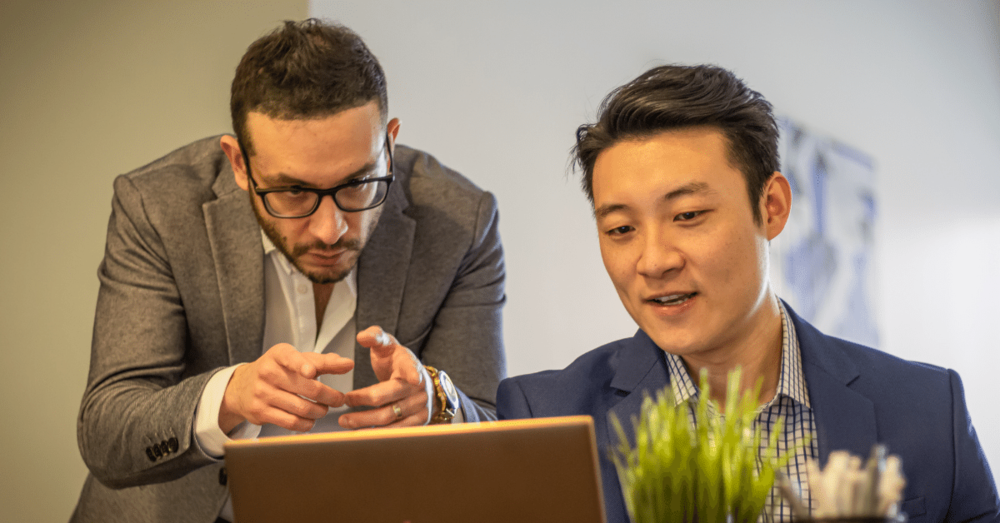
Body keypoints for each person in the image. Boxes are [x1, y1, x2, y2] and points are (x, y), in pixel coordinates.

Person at [496, 64, 998, 523]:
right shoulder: (547, 418)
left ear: (772, 207)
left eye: (687, 215)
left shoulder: (929, 409)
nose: (654, 261)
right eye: (622, 228)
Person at [73, 19, 506, 522]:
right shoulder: (159, 209)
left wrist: (437, 403)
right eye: (294, 191)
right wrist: (230, 396)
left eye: (356, 184)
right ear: (239, 165)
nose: (330, 229)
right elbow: (107, 432)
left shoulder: (461, 222)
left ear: (389, 144)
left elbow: (489, 429)